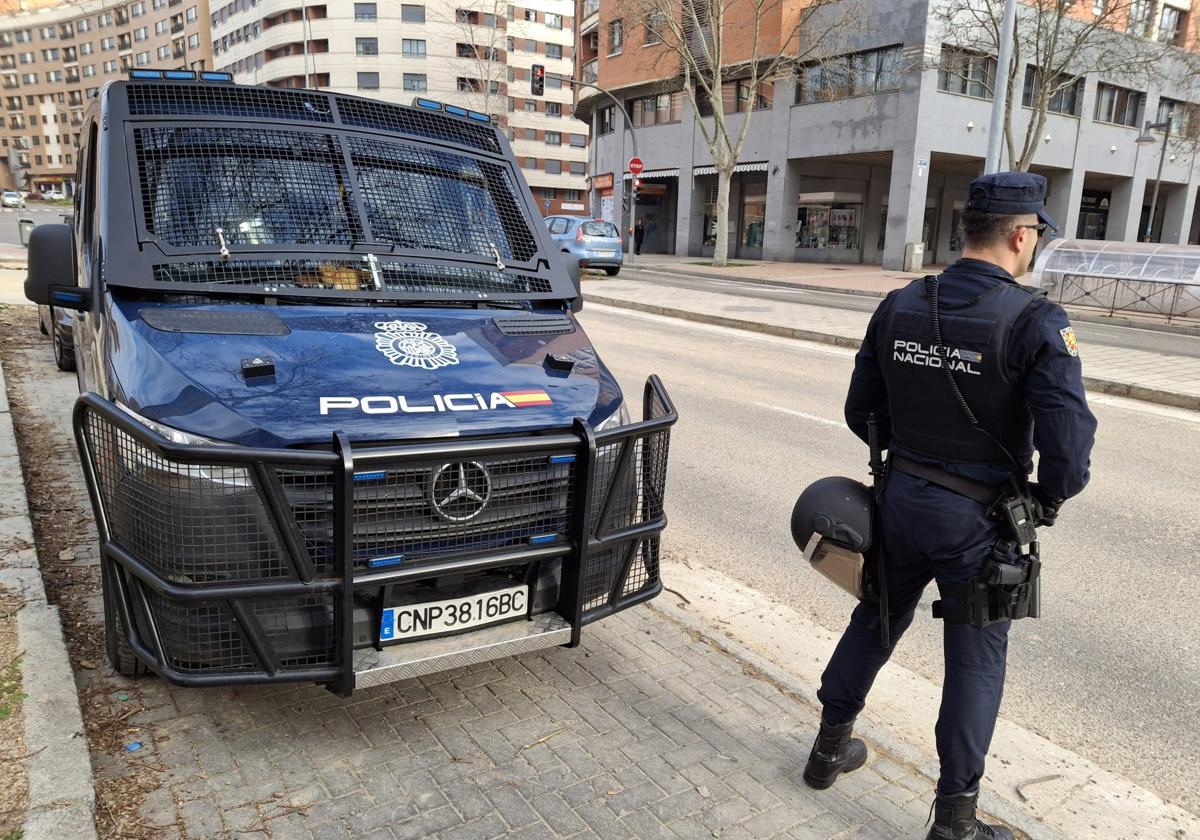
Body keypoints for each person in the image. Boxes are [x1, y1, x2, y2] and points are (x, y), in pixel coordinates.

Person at [803, 172, 1097, 840]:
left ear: (966, 231)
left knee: (875, 621)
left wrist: (905, 460)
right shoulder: (1036, 321)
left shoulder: (901, 304)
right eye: (1035, 236)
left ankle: (825, 753)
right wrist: (1043, 501)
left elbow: (860, 410)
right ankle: (955, 822)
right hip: (982, 524)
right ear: (1022, 236)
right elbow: (1069, 453)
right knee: (975, 664)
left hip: (901, 502)